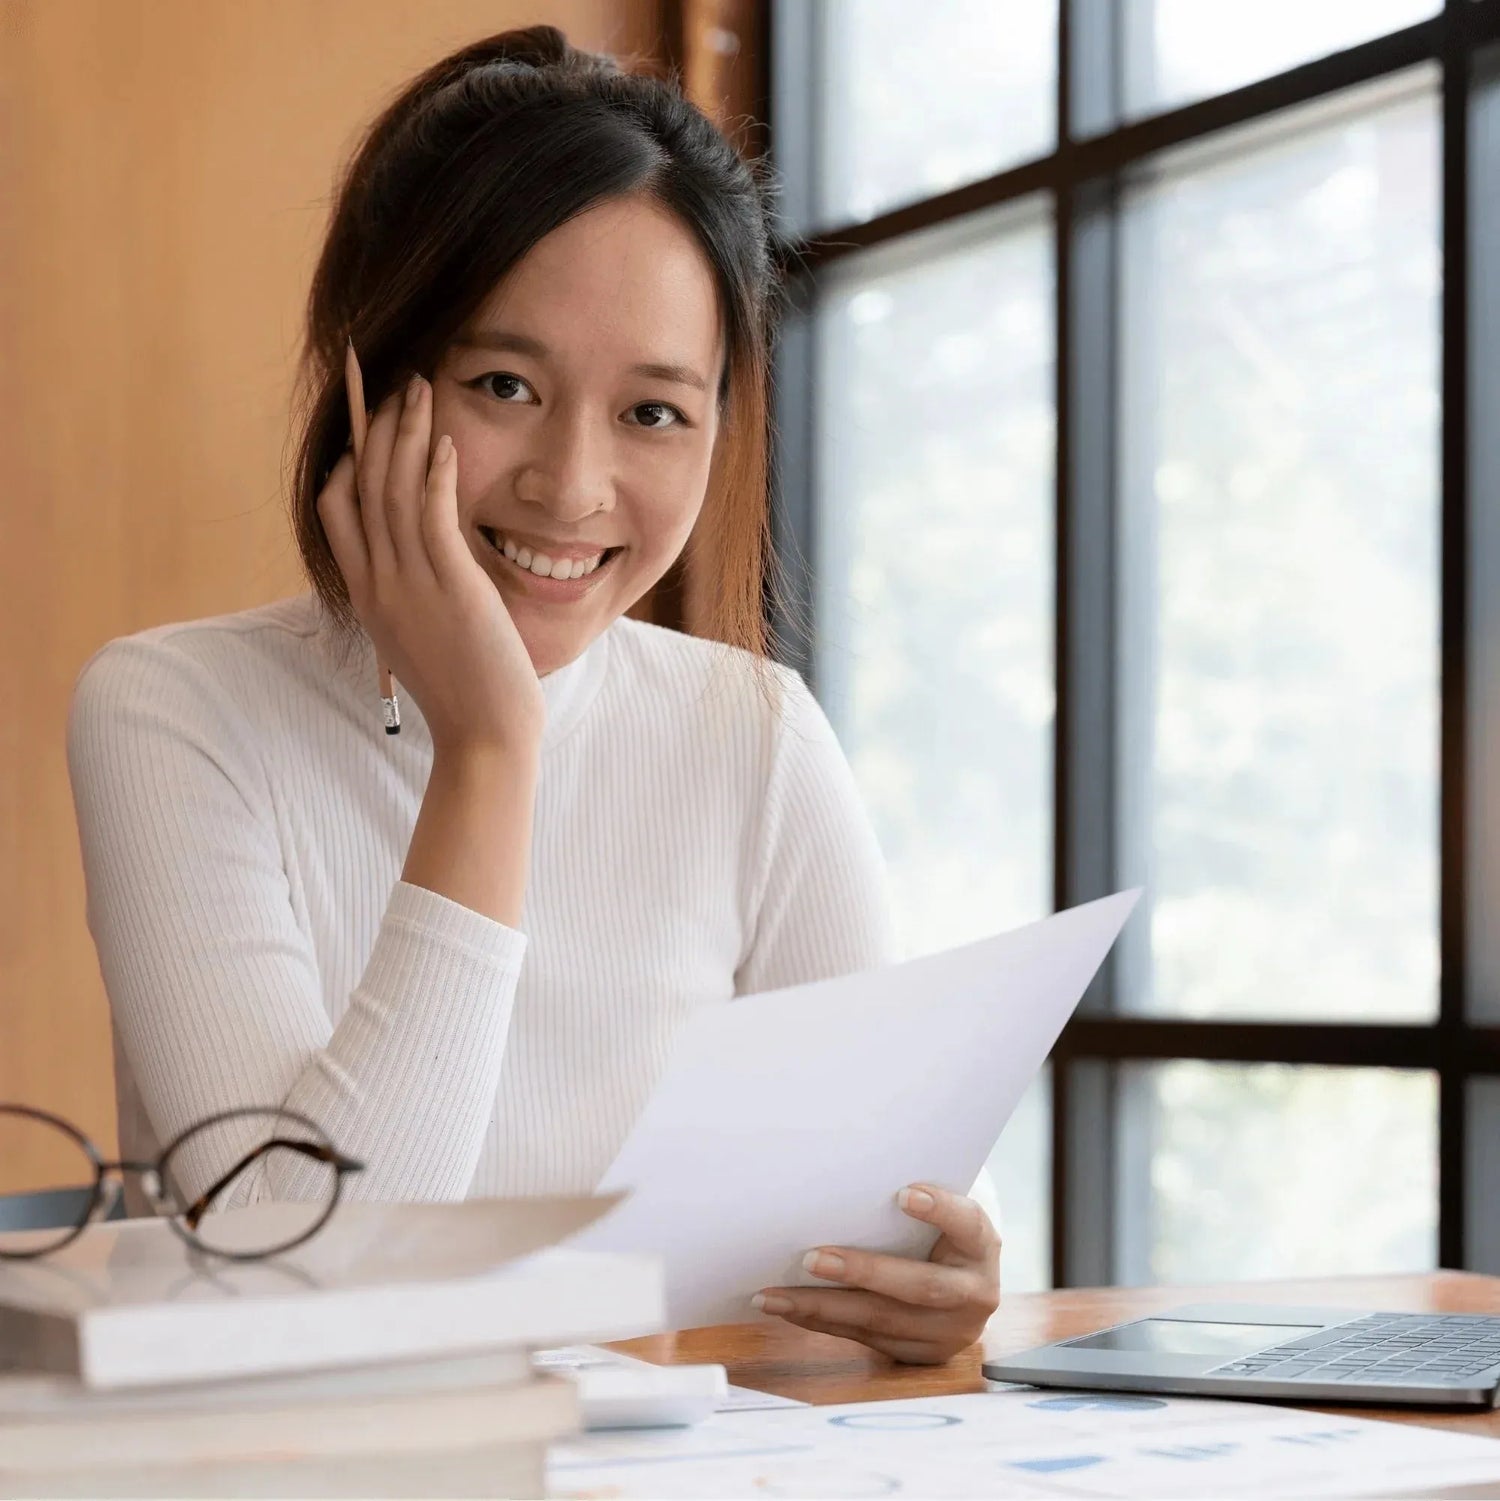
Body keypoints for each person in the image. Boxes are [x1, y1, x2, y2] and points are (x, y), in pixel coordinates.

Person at [65, 24, 1000, 1365]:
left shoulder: (753, 735)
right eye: (506, 385)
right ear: (369, 381)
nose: (572, 487)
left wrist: (939, 1273)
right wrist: (492, 747)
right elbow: (307, 1285)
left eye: (653, 412)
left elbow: (882, 1210)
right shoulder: (174, 712)